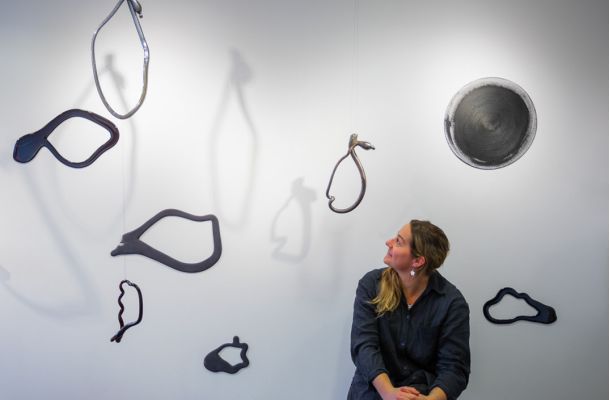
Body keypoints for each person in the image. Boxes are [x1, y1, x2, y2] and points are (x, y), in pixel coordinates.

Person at [348, 220, 470, 400]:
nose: (388, 242)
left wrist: (431, 399)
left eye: (398, 241)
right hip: (372, 392)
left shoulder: (452, 303)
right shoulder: (371, 284)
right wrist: (389, 393)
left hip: (422, 394)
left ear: (418, 261)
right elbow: (364, 346)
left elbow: (454, 367)